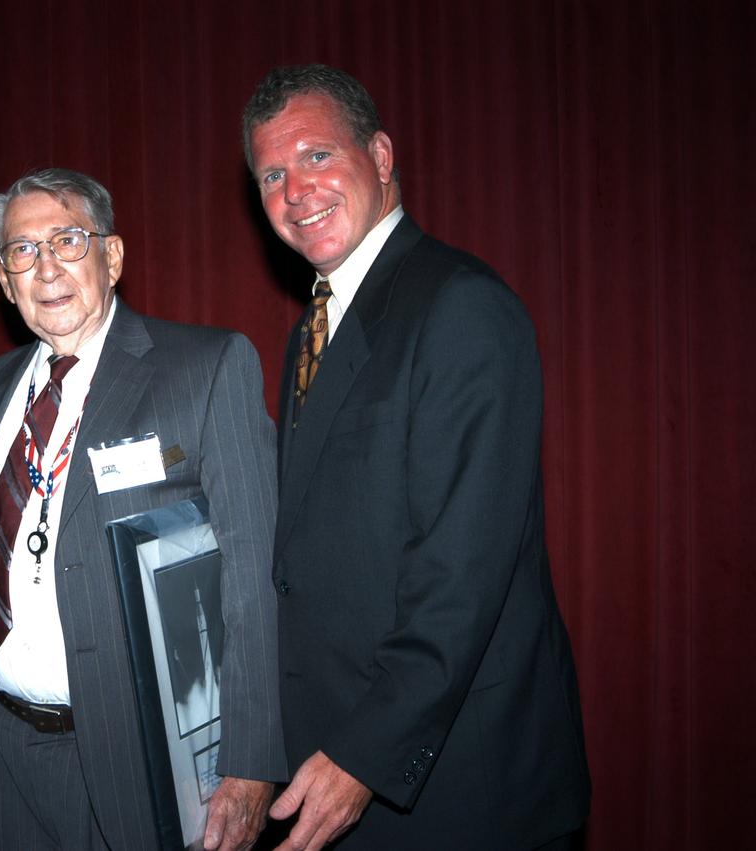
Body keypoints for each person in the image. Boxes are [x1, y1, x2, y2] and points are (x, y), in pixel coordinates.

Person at [0, 168, 285, 850]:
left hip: (141, 759)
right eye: (22, 250)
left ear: (112, 255)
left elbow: (254, 575)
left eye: (68, 240)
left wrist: (252, 764)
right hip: (3, 753)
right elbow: (5, 539)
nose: (45, 266)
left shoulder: (204, 368)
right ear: (3, 278)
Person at [242, 65, 590, 849]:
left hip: (458, 786)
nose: (297, 190)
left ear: (383, 156)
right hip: (342, 767)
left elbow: (463, 571)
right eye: (272, 173)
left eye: (318, 156)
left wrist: (366, 753)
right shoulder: (313, 329)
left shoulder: (460, 304)